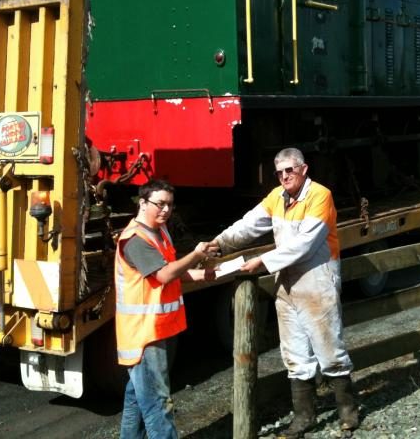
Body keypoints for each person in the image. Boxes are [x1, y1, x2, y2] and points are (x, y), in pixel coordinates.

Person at [207, 147, 358, 437]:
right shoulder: (277, 197)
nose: (285, 176)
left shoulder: (320, 196)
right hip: (286, 282)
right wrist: (221, 243)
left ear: (304, 169)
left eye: (290, 169)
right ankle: (304, 418)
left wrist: (262, 261)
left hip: (317, 280)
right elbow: (250, 224)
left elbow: (305, 244)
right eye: (280, 172)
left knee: (329, 347)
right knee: (294, 352)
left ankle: (348, 413)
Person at [115, 178, 214, 439]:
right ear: (143, 203)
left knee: (137, 401)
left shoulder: (160, 231)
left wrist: (202, 275)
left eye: (170, 205)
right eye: (160, 204)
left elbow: (172, 272)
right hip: (143, 335)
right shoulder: (135, 239)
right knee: (159, 404)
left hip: (153, 330)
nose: (166, 210)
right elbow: (164, 276)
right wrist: (196, 255)